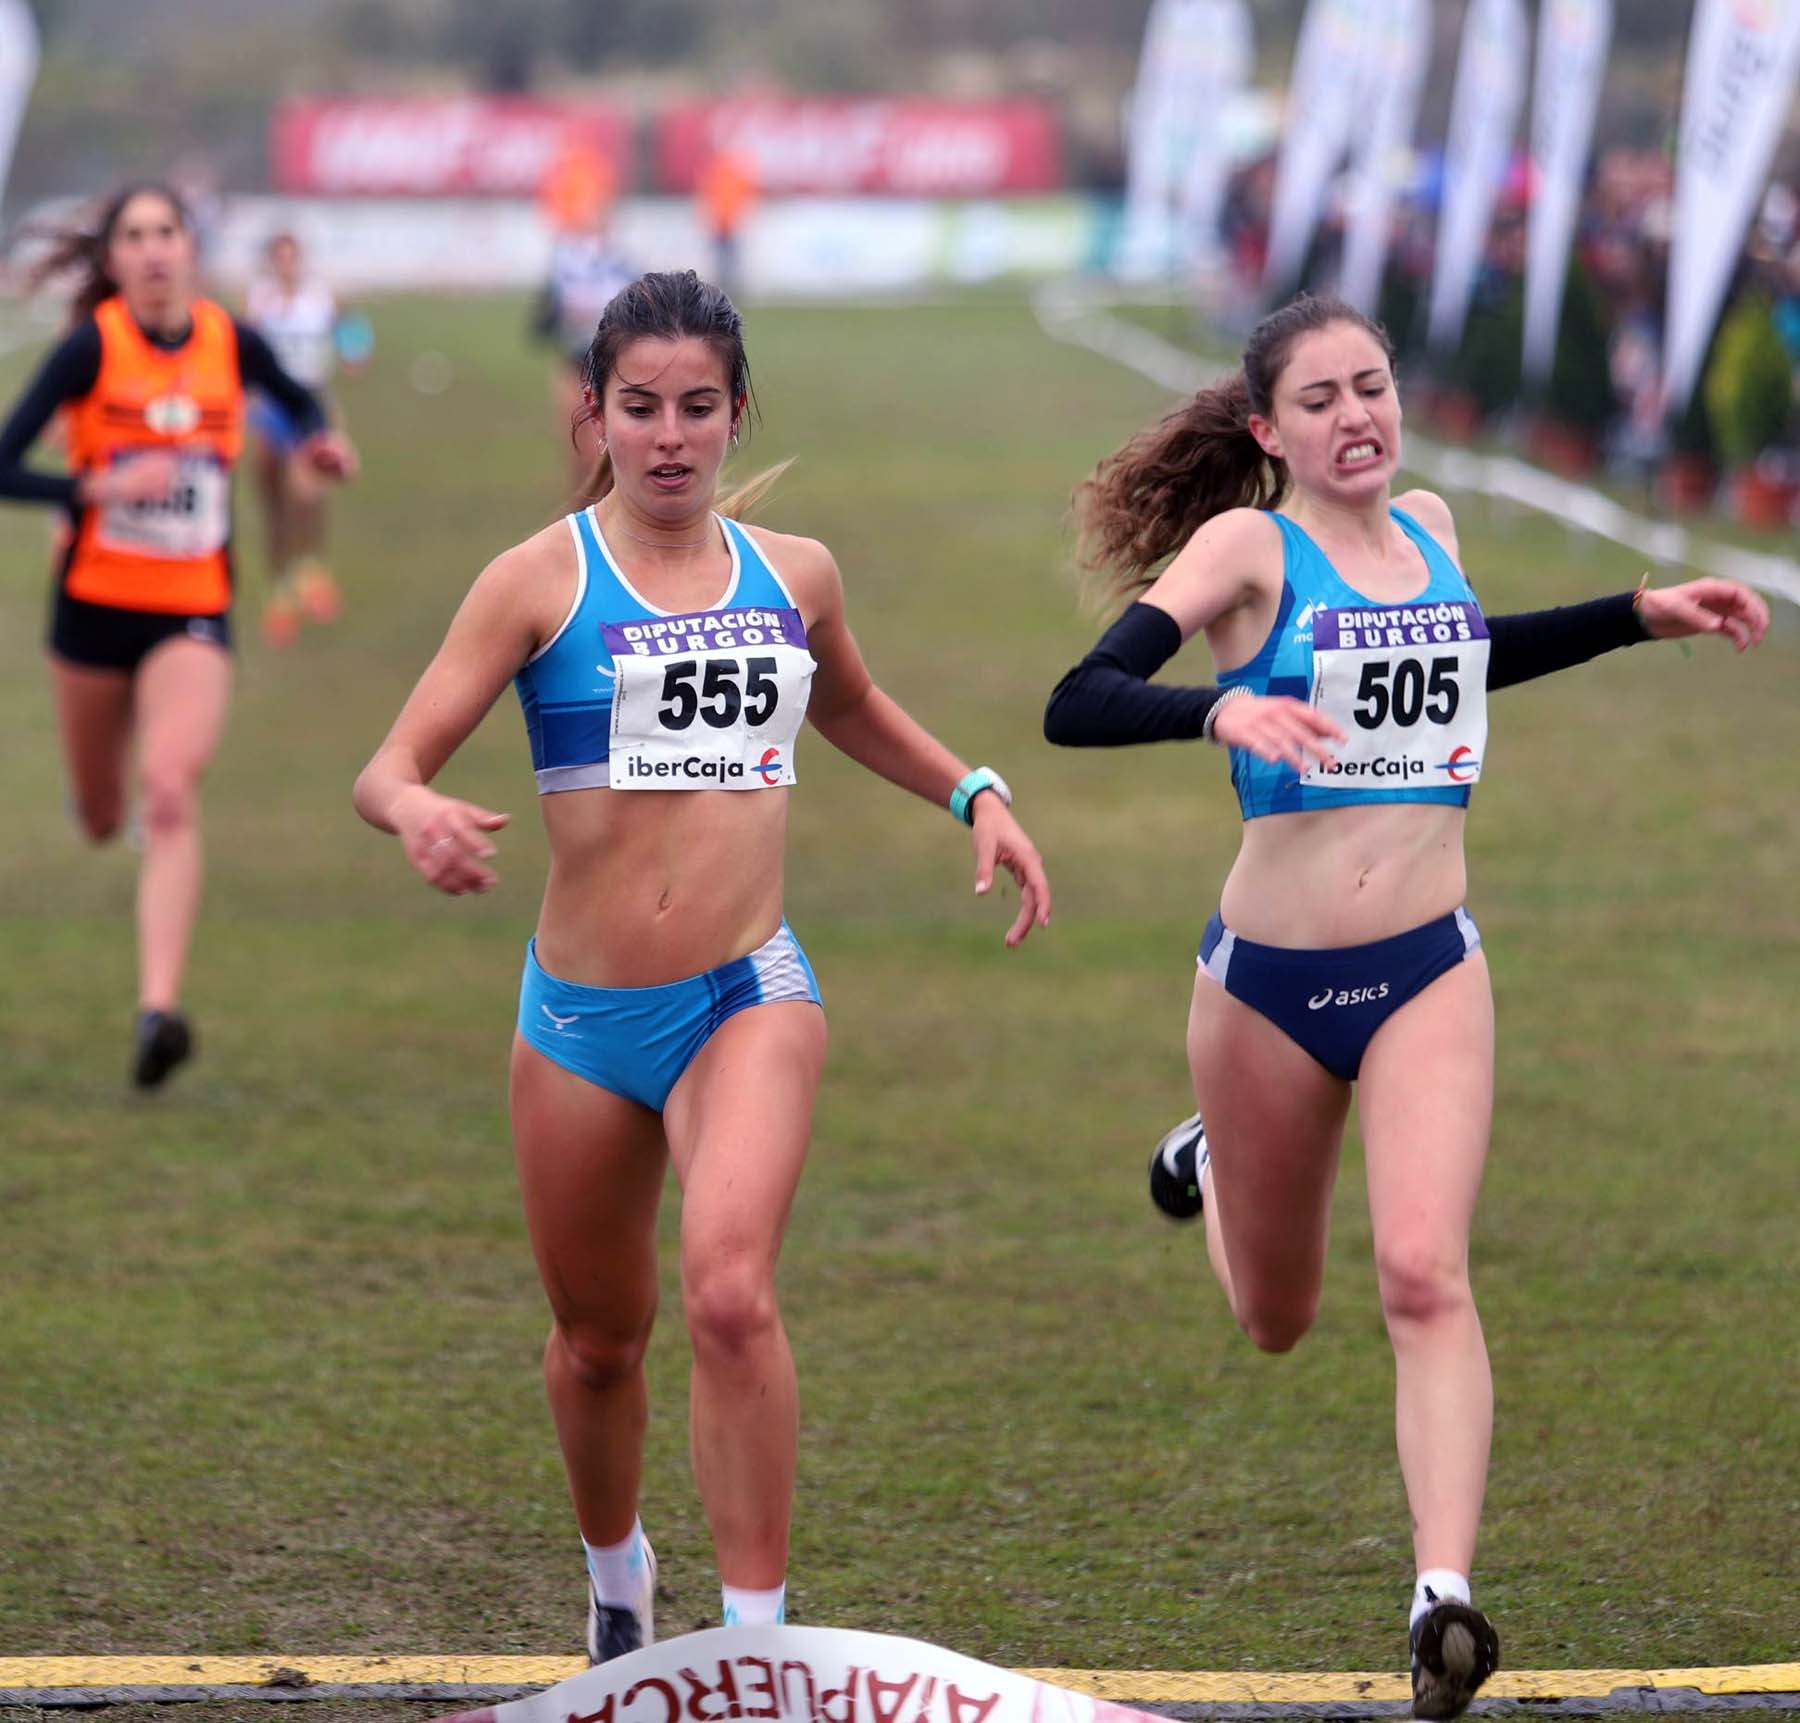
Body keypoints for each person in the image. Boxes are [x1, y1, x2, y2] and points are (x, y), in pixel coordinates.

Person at [1042, 293, 1767, 1720]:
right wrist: (1216, 709)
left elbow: (1460, 653)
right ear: (1269, 429)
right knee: (1274, 1315)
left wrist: (1634, 612)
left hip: (1432, 962)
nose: (1356, 415)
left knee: (1426, 1271)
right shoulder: (1248, 547)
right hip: (1264, 989)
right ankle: (1209, 1149)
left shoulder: (1431, 521)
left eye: (1370, 385)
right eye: (1319, 400)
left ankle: (1445, 1593)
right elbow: (1079, 695)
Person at [353, 269, 1051, 1661]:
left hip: (748, 988)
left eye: (696, 408)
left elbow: (848, 703)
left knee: (730, 1289)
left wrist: (972, 787)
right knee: (599, 1340)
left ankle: (754, 1643)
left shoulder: (795, 573)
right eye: (638, 408)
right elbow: (387, 763)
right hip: (579, 1021)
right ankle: (618, 1578)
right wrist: (419, 810)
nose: (668, 436)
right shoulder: (535, 581)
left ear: (737, 414)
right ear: (593, 415)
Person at [0, 183, 356, 1087]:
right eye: (135, 236)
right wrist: (90, 492)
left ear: (190, 249)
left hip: (191, 607)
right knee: (99, 815)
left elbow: (300, 395)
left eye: (168, 233)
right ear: (114, 259)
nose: (155, 250)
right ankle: (112, 815)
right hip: (90, 610)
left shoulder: (230, 340)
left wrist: (320, 442)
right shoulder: (91, 349)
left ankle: (158, 1011)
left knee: (167, 791)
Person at [245, 230, 362, 646]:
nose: (286, 266)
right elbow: (244, 347)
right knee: (273, 499)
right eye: (279, 259)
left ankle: (310, 569)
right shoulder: (259, 301)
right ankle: (279, 587)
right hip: (270, 411)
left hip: (310, 405)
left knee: (308, 494)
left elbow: (350, 327)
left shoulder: (320, 298)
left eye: (292, 258)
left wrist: (354, 352)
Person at [530, 214, 637, 495]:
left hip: (611, 371)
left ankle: (607, 506)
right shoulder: (567, 269)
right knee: (577, 448)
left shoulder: (625, 270)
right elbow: (541, 325)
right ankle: (585, 509)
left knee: (603, 450)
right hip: (575, 367)